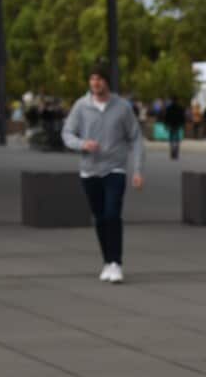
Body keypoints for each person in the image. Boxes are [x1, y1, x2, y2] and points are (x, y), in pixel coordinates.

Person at [62, 64, 145, 284]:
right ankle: (107, 261)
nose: (95, 83)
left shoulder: (122, 107)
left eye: (99, 79)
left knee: (112, 214)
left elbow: (135, 137)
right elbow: (67, 133)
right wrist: (82, 144)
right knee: (100, 218)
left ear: (107, 81)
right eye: (92, 79)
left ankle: (116, 263)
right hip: (89, 171)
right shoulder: (81, 106)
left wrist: (137, 170)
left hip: (115, 168)